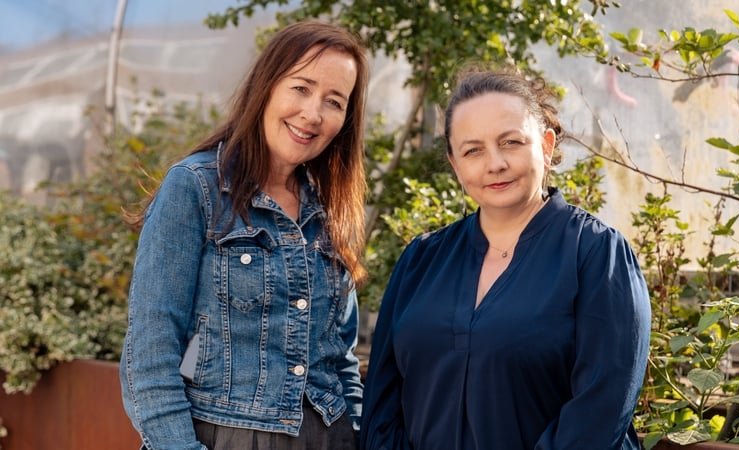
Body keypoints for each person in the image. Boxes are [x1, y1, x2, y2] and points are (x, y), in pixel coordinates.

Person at [360, 66, 651, 450]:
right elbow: (382, 400)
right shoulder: (421, 260)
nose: (494, 163)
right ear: (454, 164)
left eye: (511, 142)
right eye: (473, 150)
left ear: (546, 146)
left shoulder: (597, 255)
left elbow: (600, 410)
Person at [120, 20, 369, 450]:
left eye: (334, 101)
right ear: (267, 86)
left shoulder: (331, 210)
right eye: (301, 88)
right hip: (224, 435)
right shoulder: (195, 188)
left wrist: (363, 435)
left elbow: (340, 357)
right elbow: (149, 358)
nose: (313, 114)